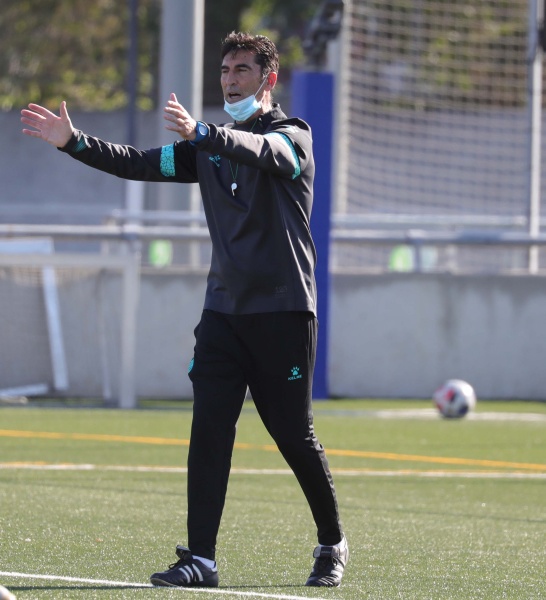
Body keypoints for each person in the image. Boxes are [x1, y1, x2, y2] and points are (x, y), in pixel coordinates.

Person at [21, 31, 348, 588]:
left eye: (242, 70)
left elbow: (266, 153)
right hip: (222, 314)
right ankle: (201, 559)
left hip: (283, 311)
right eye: (224, 71)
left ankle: (332, 541)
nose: (230, 81)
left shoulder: (293, 136)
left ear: (268, 79)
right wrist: (73, 142)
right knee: (209, 428)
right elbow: (138, 163)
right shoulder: (207, 148)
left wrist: (205, 133)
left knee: (292, 434)